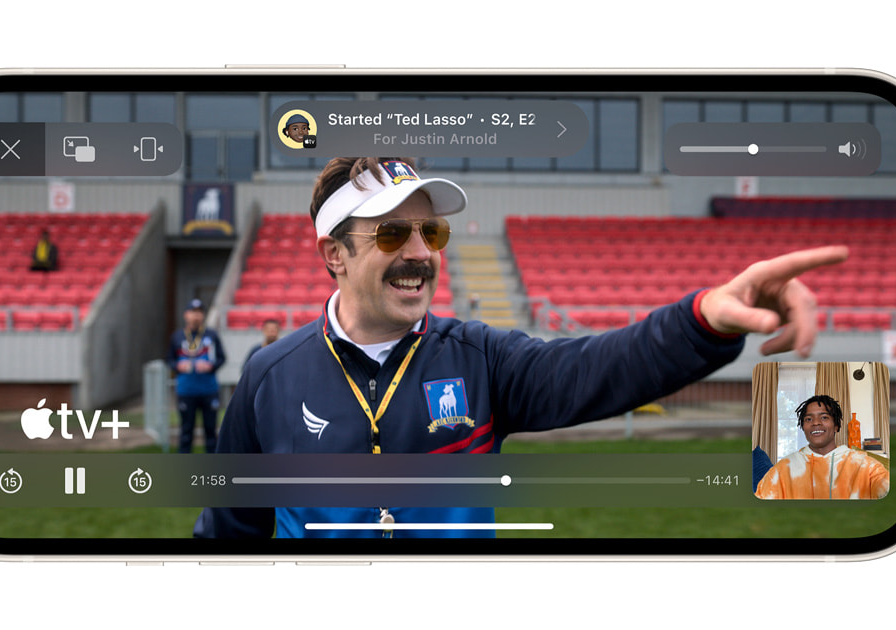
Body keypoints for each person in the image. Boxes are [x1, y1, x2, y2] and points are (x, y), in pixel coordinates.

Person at [194, 157, 849, 538]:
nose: (421, 253)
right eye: (392, 234)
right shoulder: (268, 375)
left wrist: (703, 319)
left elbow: (598, 369)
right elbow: (229, 531)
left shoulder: (480, 358)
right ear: (334, 254)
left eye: (431, 232)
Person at [754, 394, 890, 500]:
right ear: (803, 427)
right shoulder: (783, 468)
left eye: (824, 417)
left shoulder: (865, 465)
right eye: (809, 419)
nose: (816, 423)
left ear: (836, 426)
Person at [167, 299, 226, 453]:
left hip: (209, 390)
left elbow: (222, 358)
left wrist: (210, 366)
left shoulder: (211, 335)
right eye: (193, 312)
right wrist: (178, 366)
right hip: (186, 390)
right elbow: (170, 359)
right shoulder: (177, 336)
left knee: (211, 431)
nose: (196, 316)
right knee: (186, 431)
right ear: (186, 315)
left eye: (199, 312)